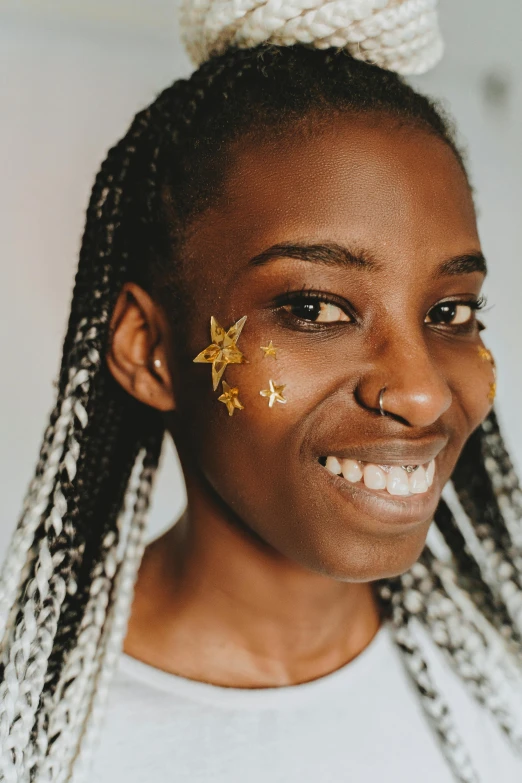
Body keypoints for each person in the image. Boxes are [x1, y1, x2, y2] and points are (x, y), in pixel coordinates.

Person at [1, 1, 522, 781]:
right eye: (313, 308)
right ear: (149, 350)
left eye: (449, 311)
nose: (421, 394)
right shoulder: (30, 733)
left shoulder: (500, 687)